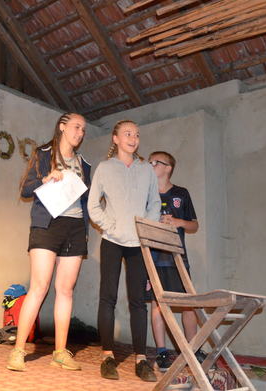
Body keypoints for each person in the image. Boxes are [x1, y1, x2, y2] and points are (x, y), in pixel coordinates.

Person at [6, 113, 91, 372]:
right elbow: (25, 188)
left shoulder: (84, 164)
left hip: (75, 227)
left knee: (66, 290)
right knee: (39, 287)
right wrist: (45, 179)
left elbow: (85, 202)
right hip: (47, 224)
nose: (80, 133)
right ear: (62, 127)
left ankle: (60, 352)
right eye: (76, 127)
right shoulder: (43, 154)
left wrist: (86, 230)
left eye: (83, 129)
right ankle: (18, 350)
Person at [87, 119, 161, 382]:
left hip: (138, 243)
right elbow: (93, 205)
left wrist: (145, 229)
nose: (133, 138)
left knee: (138, 301)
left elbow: (154, 203)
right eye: (128, 134)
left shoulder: (146, 169)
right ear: (115, 138)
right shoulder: (105, 168)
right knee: (107, 297)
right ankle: (107, 356)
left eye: (137, 135)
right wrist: (111, 226)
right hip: (112, 241)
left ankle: (141, 360)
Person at [147, 151, 201, 371]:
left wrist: (178, 222)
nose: (151, 165)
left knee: (189, 305)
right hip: (153, 258)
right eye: (149, 162)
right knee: (157, 305)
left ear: (168, 168)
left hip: (177, 258)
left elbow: (194, 225)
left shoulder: (181, 193)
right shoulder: (146, 193)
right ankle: (162, 352)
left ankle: (193, 350)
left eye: (155, 162)